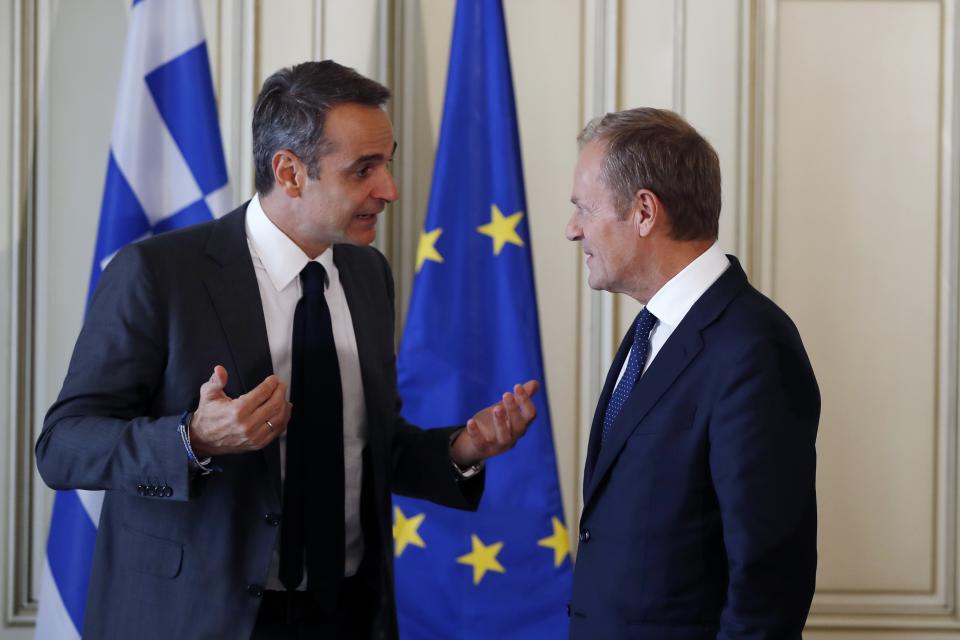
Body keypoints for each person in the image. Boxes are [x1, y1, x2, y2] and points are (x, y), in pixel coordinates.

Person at [36, 60, 539, 639]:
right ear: (290, 172)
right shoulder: (157, 274)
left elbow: (362, 441)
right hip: (200, 618)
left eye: (388, 162)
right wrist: (192, 439)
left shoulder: (368, 275)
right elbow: (63, 445)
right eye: (364, 170)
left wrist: (460, 448)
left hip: (346, 614)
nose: (390, 189)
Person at [565, 107, 820, 639]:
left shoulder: (753, 347)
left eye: (584, 209)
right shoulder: (651, 331)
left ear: (643, 212)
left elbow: (767, 579)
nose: (572, 230)